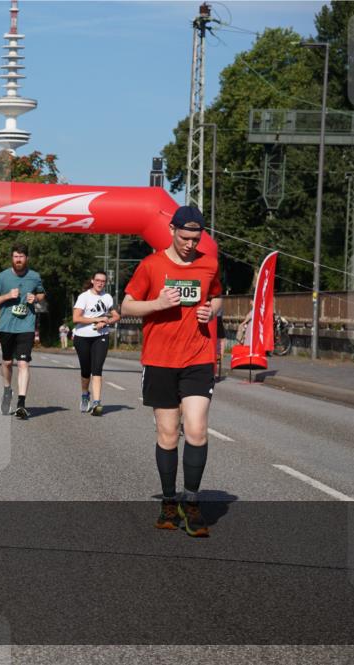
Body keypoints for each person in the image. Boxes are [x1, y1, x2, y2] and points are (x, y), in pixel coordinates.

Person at [121, 205, 222, 537]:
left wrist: (211, 310)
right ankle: (168, 501)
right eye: (185, 237)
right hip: (160, 359)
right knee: (167, 434)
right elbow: (126, 305)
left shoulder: (208, 264)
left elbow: (218, 296)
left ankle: (191, 503)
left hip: (198, 357)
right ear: (172, 231)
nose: (190, 245)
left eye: (196, 239)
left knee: (196, 429)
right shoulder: (151, 265)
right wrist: (158, 304)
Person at [0, 243, 46, 419]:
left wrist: (35, 297)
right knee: (7, 363)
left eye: (21, 257)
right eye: (15, 256)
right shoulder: (2, 277)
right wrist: (7, 296)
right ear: (12, 258)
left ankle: (21, 403)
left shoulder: (34, 277)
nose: (18, 260)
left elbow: (42, 295)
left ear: (26, 258)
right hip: (6, 326)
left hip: (26, 326)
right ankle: (7, 390)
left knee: (23, 363)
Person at [72, 270, 120, 416]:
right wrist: (96, 320)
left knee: (97, 369)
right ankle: (85, 395)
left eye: (103, 281)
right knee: (86, 371)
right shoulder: (84, 297)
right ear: (92, 281)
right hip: (82, 337)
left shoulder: (107, 297)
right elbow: (76, 318)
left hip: (101, 336)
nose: (100, 283)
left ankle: (97, 403)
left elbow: (116, 316)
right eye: (98, 280)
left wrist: (106, 323)